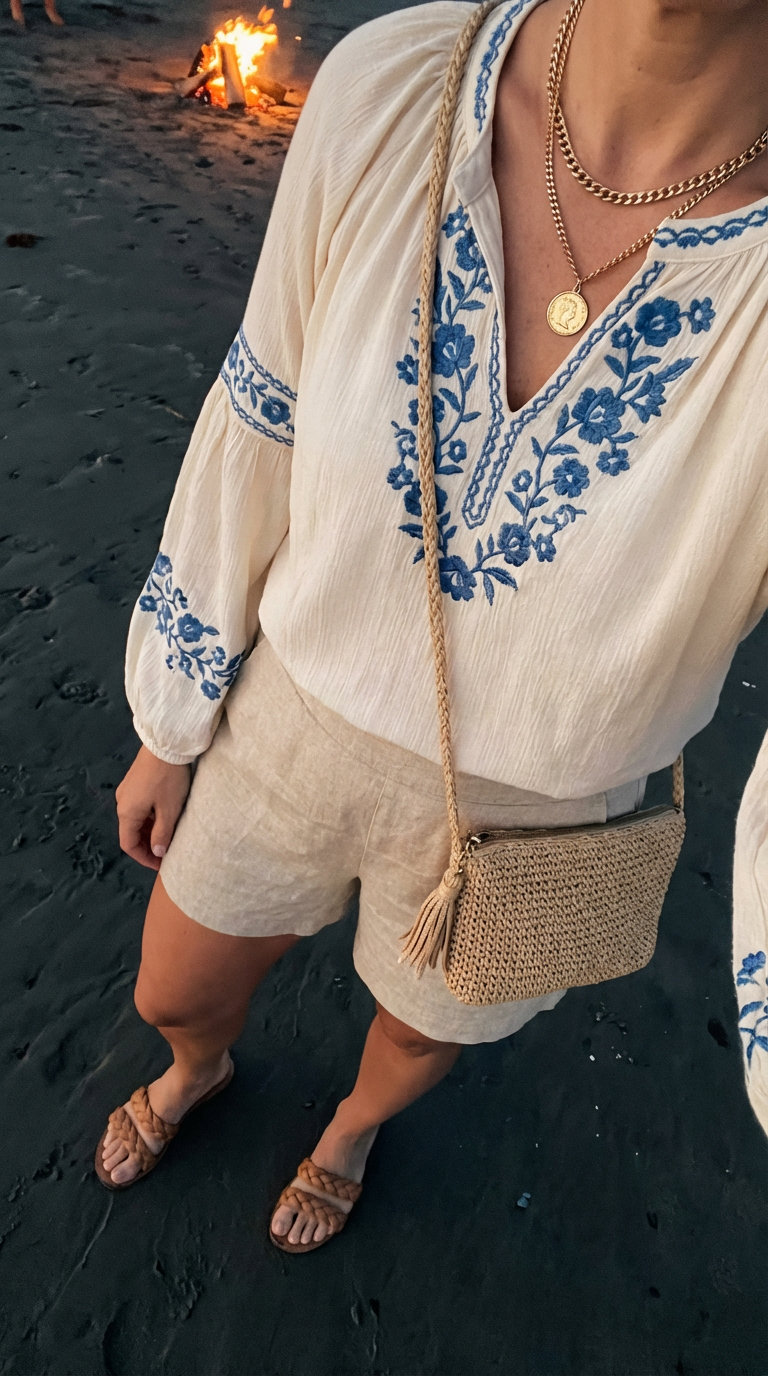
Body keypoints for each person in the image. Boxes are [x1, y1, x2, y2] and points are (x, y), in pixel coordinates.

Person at [95, 0, 768, 1253]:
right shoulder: (394, 86)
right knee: (174, 985)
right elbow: (262, 412)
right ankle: (196, 1068)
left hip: (538, 819)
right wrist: (171, 719)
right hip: (289, 720)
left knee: (421, 1032)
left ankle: (348, 1129)